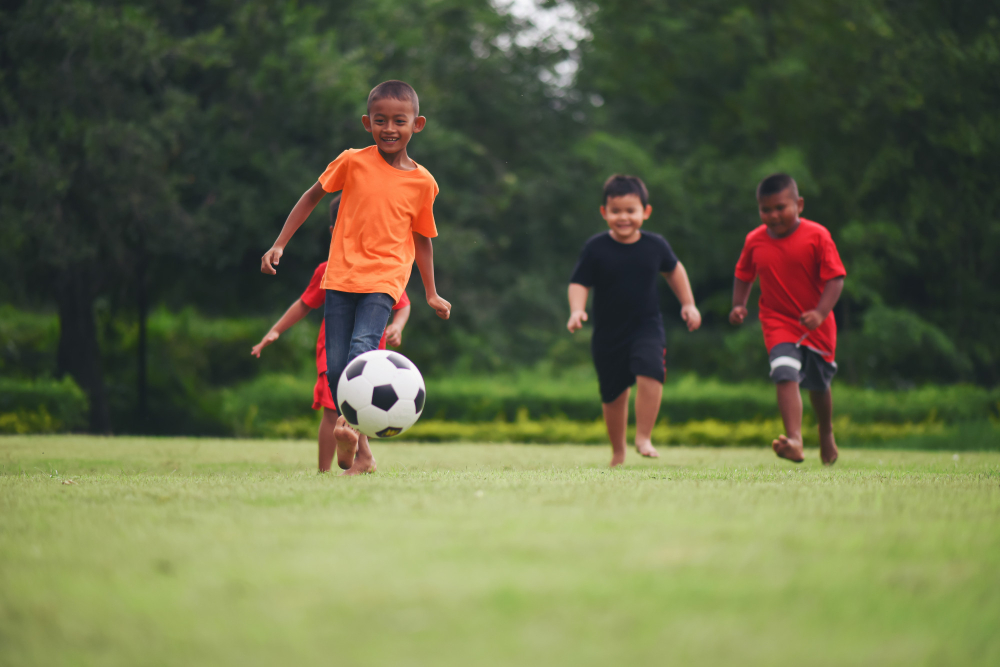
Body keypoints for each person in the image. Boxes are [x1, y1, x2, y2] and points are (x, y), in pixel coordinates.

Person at [260, 80, 451, 476]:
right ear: (367, 122)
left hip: (384, 279)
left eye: (400, 120)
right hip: (340, 277)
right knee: (335, 371)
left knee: (362, 349)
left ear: (418, 125)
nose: (389, 128)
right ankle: (362, 455)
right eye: (380, 120)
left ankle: (348, 431)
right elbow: (312, 195)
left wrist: (431, 293)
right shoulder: (352, 161)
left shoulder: (423, 182)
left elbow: (423, 239)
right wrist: (280, 244)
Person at [251, 196, 411, 473]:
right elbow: (304, 303)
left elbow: (403, 304)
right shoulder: (327, 271)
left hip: (372, 356)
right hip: (333, 353)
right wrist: (275, 330)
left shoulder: (381, 270)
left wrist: (397, 326)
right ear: (333, 231)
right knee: (332, 411)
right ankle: (327, 471)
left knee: (360, 404)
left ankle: (363, 457)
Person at [567, 174, 702, 467]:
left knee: (651, 370)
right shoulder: (595, 248)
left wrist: (689, 304)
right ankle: (618, 452)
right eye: (616, 211)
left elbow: (675, 272)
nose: (624, 217)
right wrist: (577, 310)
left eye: (631, 211)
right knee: (613, 394)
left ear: (646, 211)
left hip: (646, 327)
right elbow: (579, 282)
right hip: (607, 333)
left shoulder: (655, 245)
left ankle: (643, 437)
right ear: (604, 212)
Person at [729, 173, 846, 465]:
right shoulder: (754, 240)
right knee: (784, 372)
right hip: (777, 320)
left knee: (818, 387)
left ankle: (826, 431)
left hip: (816, 323)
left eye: (780, 207)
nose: (772, 215)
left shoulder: (818, 235)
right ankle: (794, 439)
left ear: (800, 205)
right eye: (765, 209)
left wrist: (820, 312)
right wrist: (739, 305)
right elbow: (744, 274)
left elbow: (836, 279)